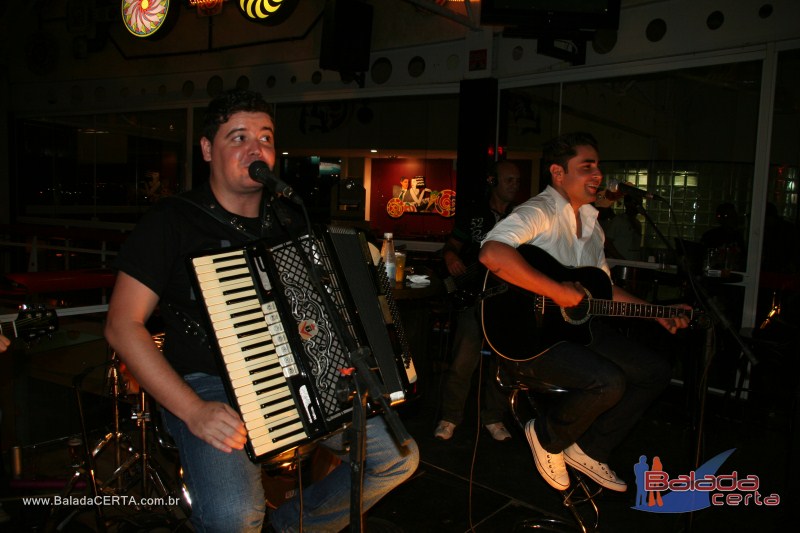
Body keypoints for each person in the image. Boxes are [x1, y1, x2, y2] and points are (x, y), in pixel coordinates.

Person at [104, 89, 419, 533]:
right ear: (208, 149)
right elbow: (122, 326)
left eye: (266, 138)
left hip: (297, 377)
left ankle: (287, 527)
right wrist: (193, 410)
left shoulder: (290, 221)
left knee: (396, 459)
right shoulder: (172, 221)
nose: (256, 149)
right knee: (235, 516)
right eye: (238, 138)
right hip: (205, 385)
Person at [479, 132, 690, 492]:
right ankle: (546, 435)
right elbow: (492, 253)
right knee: (608, 381)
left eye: (598, 167)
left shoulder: (591, 226)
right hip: (528, 338)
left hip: (575, 333)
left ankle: (590, 449)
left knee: (655, 371)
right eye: (586, 167)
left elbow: (605, 290)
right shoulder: (538, 211)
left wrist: (656, 311)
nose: (597, 175)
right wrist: (557, 290)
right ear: (558, 174)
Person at [434, 160, 520, 442]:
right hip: (472, 296)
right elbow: (452, 244)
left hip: (506, 301)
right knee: (462, 361)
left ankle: (494, 418)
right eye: (509, 180)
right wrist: (450, 256)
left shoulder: (522, 216)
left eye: (516, 181)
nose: (514, 185)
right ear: (492, 181)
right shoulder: (473, 213)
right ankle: (450, 418)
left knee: (503, 362)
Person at [605, 193, 643, 261]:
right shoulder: (618, 220)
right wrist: (621, 260)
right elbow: (607, 243)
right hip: (619, 265)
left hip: (634, 264)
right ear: (627, 204)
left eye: (640, 203)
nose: (639, 206)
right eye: (636, 202)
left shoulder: (638, 223)